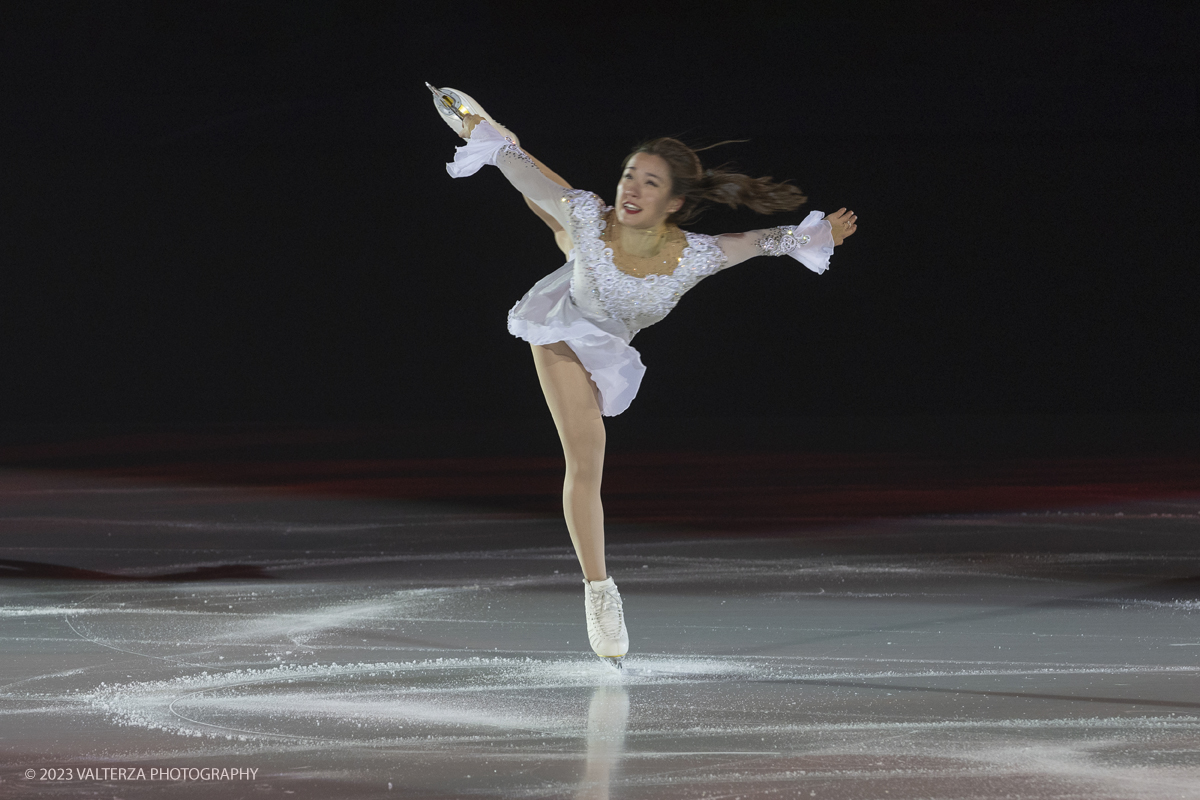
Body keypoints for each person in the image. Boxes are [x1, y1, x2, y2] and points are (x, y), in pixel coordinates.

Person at [443, 107, 857, 666]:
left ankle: (541, 189)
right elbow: (526, 176)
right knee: (587, 458)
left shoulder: (694, 256)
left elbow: (763, 241)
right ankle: (599, 592)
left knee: (568, 229)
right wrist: (490, 141)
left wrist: (817, 233)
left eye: (650, 182)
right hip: (564, 324)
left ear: (675, 203)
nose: (633, 188)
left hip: (607, 321)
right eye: (629, 176)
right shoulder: (592, 213)